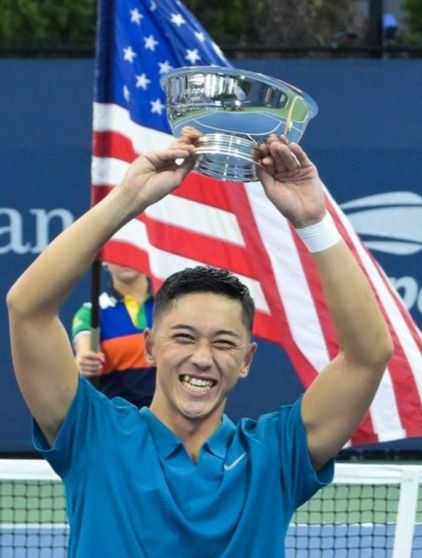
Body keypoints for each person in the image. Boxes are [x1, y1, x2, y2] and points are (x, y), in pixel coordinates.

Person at [6, 128, 393, 557]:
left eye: (224, 343)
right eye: (184, 337)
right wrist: (128, 199)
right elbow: (28, 309)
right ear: (150, 345)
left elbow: (368, 356)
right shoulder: (93, 435)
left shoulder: (276, 455)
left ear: (247, 359)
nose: (202, 358)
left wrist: (313, 222)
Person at [72, 263, 156, 407]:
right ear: (105, 261)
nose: (125, 258)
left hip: (171, 422)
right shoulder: (90, 312)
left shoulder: (170, 306)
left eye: (132, 247)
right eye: (119, 250)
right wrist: (85, 359)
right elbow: (84, 349)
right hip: (117, 421)